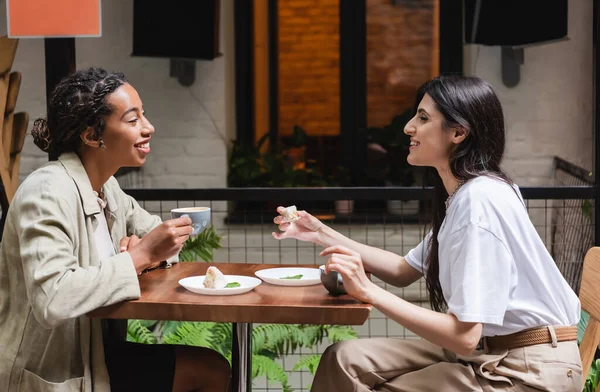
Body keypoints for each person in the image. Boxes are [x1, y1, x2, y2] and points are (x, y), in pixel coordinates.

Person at [273, 75, 582, 391]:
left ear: (459, 132)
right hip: (492, 351)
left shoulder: (480, 202)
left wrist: (367, 290)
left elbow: (463, 336)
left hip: (529, 371)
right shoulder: (468, 195)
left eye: (422, 118)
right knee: (344, 358)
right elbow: (402, 270)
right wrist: (319, 233)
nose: (408, 127)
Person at [0, 67, 231, 392]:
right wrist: (138, 257)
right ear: (93, 135)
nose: (149, 128)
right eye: (133, 119)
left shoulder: (108, 191)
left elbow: (158, 237)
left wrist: (147, 251)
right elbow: (52, 299)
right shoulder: (47, 192)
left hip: (96, 353)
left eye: (144, 116)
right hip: (51, 369)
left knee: (213, 368)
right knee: (208, 372)